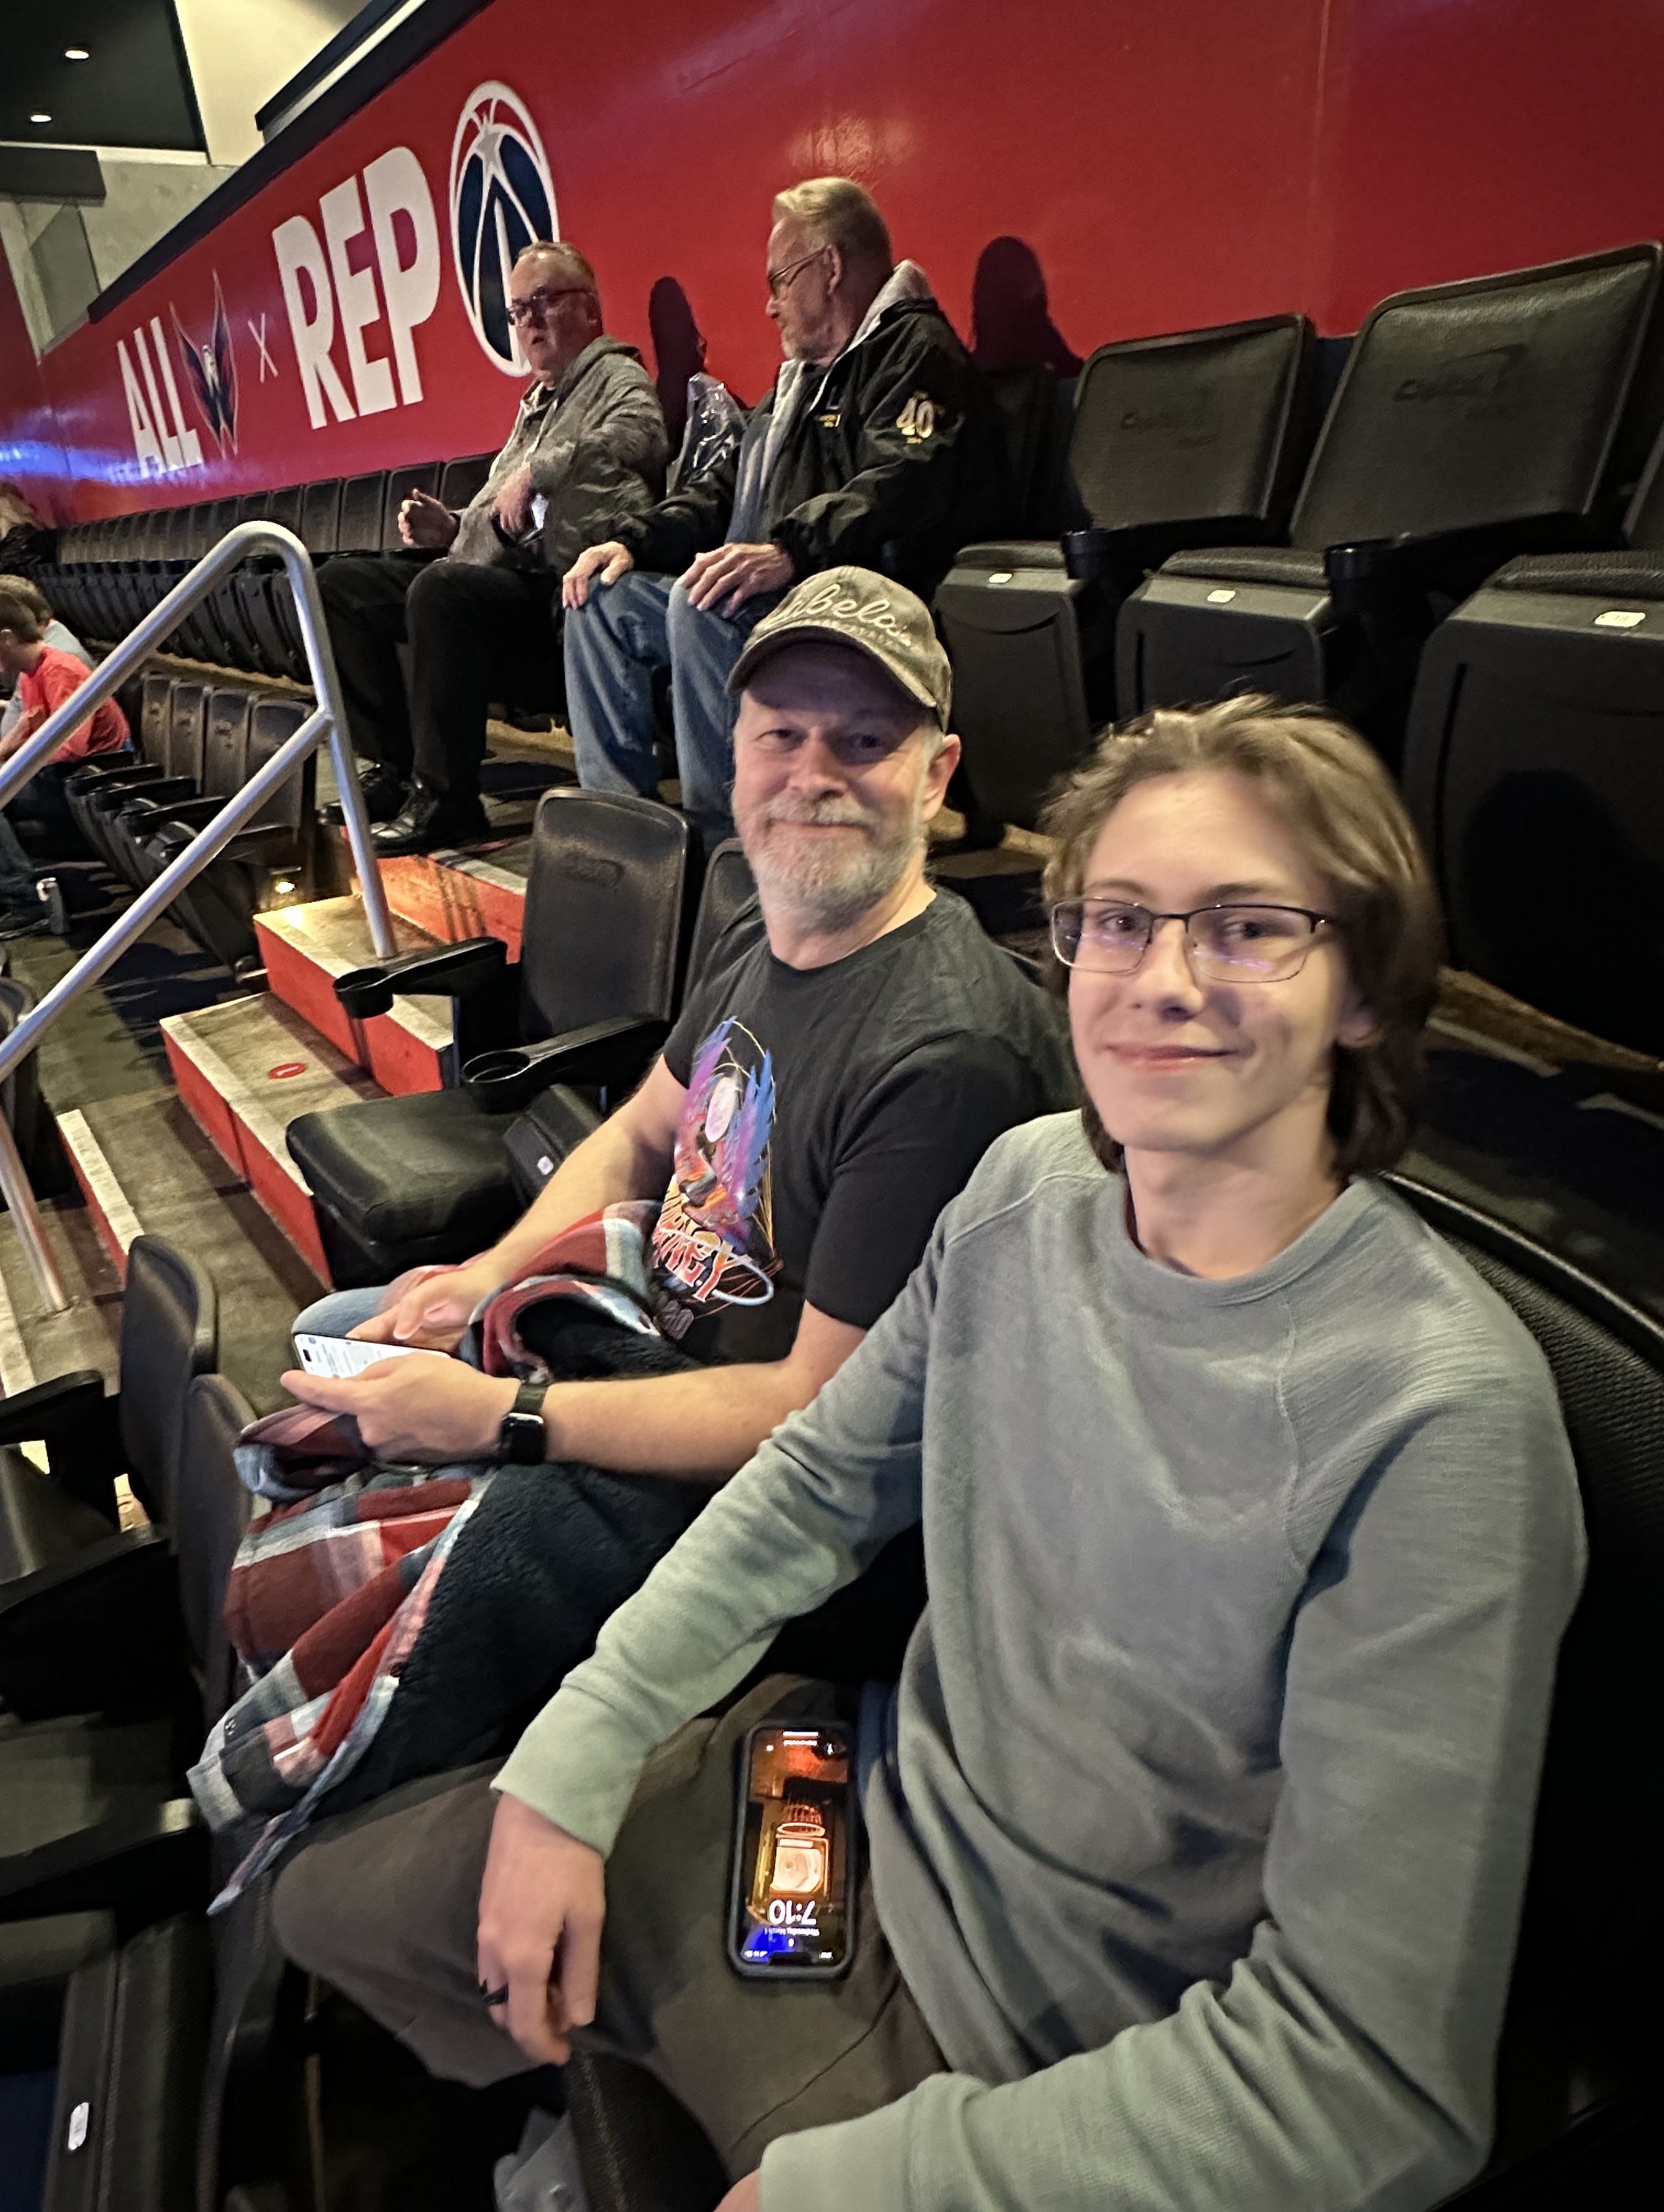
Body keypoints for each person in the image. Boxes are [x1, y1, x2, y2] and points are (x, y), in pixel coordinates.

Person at [275, 693, 1586, 2212]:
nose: (1163, 980)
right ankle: (592, 2092)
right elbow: (813, 1485)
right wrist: (584, 1747)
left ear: (1364, 989)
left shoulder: (1439, 1418)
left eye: (1248, 929)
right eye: (1119, 920)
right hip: (837, 1796)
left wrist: (875, 2182)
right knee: (324, 1906)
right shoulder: (1029, 1188)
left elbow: (1370, 2081)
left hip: (1014, 2048)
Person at [276, 563, 1071, 1540]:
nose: (813, 776)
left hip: (744, 1469)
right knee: (333, 1337)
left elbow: (815, 1411)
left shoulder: (948, 1056)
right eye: (781, 735)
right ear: (734, 751)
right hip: (637, 1335)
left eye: (864, 741)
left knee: (342, 1488)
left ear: (937, 774)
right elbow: (643, 1131)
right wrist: (490, 1272)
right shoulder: (763, 925)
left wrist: (503, 1417)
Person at [561, 177, 1009, 851]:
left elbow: (901, 483)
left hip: (858, 594)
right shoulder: (798, 382)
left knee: (703, 603)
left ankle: (734, 849)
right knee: (600, 598)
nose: (769, 305)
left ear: (830, 267)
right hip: (782, 587)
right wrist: (632, 541)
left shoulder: (916, 352)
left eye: (779, 281)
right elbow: (721, 489)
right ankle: (630, 840)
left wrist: (789, 550)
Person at [319, 240, 668, 857]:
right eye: (518, 310)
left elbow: (642, 437)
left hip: (561, 590)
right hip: (497, 575)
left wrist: (539, 470)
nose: (530, 321)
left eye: (545, 301)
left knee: (443, 590)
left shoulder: (617, 376)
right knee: (337, 587)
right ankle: (395, 768)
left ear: (590, 309)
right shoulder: (536, 404)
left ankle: (447, 801)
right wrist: (451, 527)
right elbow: (495, 509)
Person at [0, 579, 127, 936]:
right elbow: (28, 730)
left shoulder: (61, 670)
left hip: (90, 779)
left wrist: (14, 770)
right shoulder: (32, 671)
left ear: (7, 638)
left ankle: (27, 904)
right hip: (62, 775)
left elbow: (71, 748)